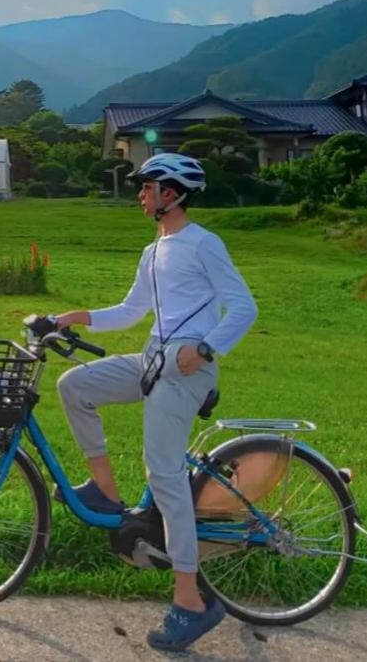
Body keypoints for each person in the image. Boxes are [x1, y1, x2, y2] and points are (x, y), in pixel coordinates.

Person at [53, 153, 258, 652]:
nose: (141, 194)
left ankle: (190, 600)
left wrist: (204, 349)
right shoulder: (153, 250)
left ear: (172, 193)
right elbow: (131, 310)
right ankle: (105, 492)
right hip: (152, 359)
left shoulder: (203, 243)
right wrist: (74, 317)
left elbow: (244, 307)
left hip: (188, 368)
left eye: (147, 186)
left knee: (163, 473)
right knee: (74, 386)